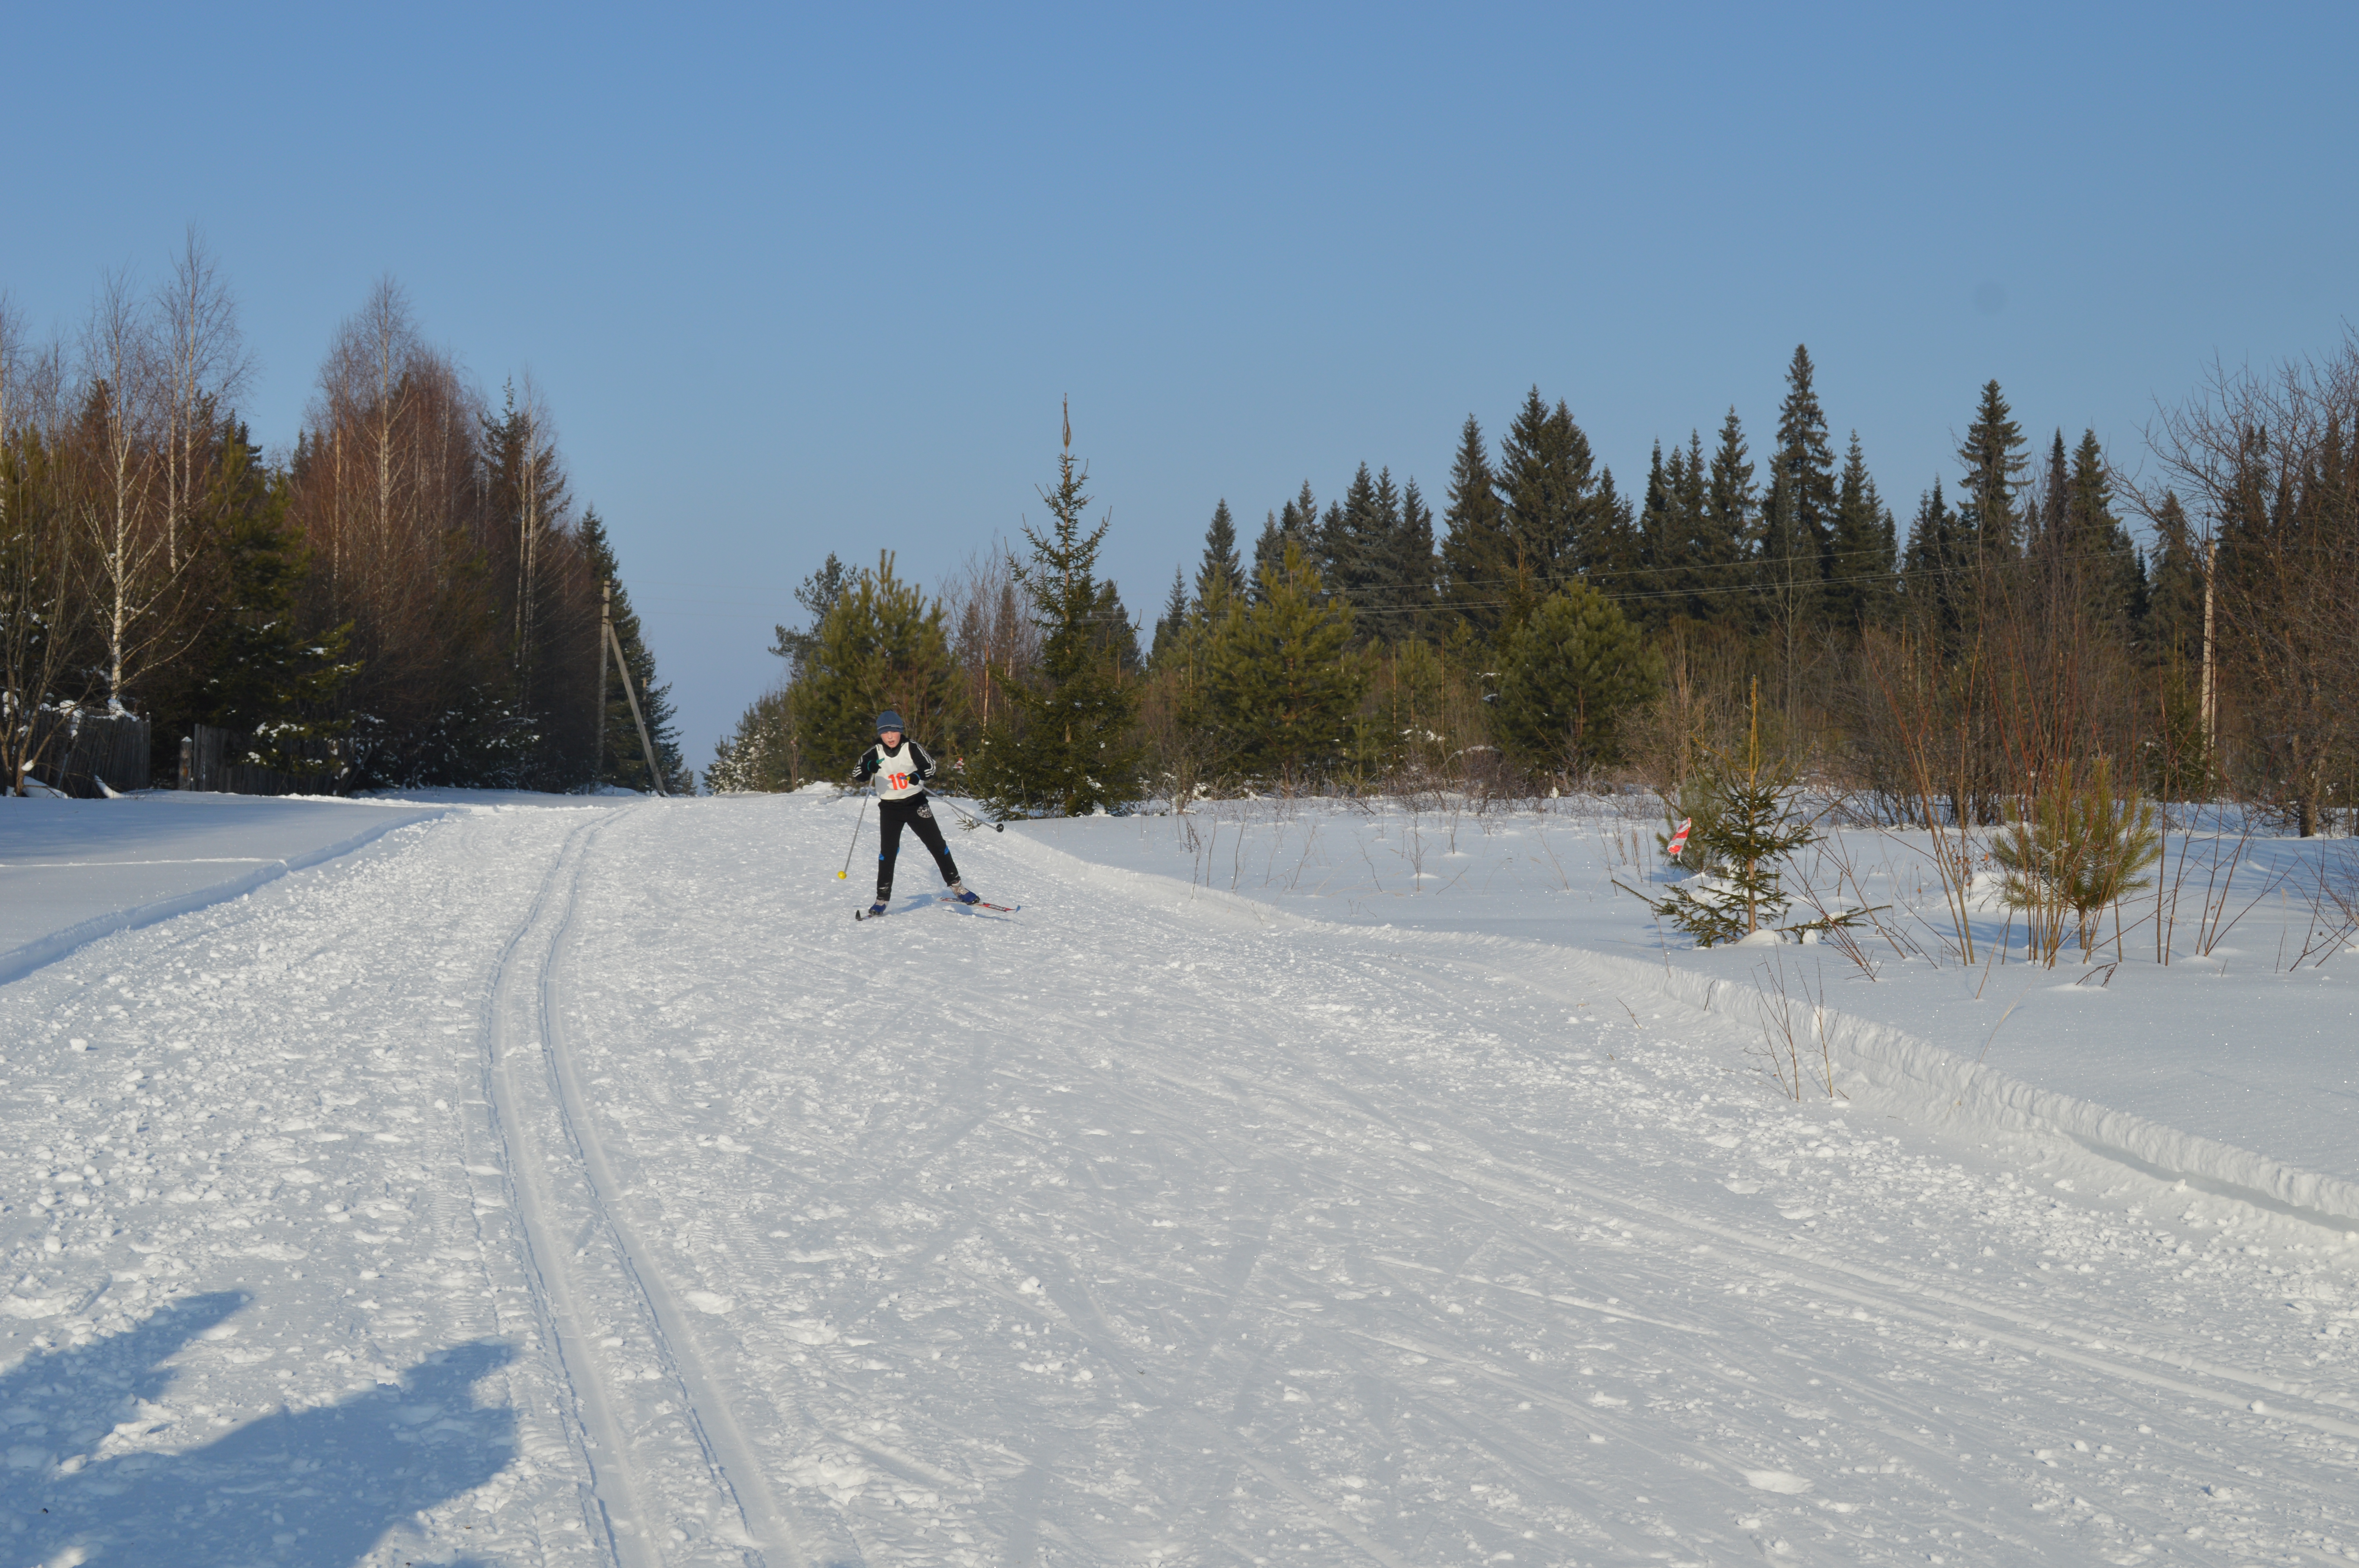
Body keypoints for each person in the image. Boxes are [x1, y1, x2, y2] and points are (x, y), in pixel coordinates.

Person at [853, 710, 981, 916]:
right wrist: (870, 767)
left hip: (916, 804)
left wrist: (918, 775)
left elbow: (930, 768)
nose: (890, 737)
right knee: (888, 853)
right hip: (890, 809)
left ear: (901, 731)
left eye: (894, 732)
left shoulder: (911, 747)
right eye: (886, 733)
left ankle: (958, 887)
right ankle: (882, 898)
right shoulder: (875, 752)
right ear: (880, 734)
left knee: (937, 845)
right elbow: (858, 773)